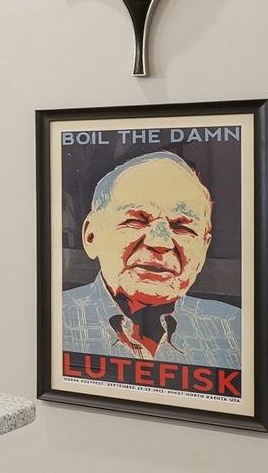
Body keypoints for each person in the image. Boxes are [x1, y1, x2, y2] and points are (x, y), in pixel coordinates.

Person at [60, 151, 242, 368]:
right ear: (91, 236)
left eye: (182, 226)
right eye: (136, 221)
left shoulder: (234, 327)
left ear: (203, 247)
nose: (161, 243)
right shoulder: (54, 320)